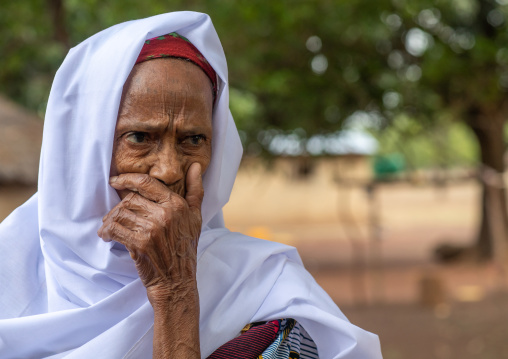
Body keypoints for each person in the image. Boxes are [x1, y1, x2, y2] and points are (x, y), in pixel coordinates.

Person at [0, 11, 382, 359]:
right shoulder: (10, 268)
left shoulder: (266, 292)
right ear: (83, 148)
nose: (169, 170)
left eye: (193, 140)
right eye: (139, 137)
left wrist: (176, 294)